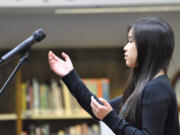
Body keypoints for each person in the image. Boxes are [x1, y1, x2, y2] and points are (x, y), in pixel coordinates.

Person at [48, 17, 180, 135]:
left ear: (148, 47)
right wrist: (70, 76)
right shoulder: (144, 88)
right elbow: (97, 108)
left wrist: (110, 117)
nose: (125, 47)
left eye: (131, 41)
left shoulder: (157, 89)